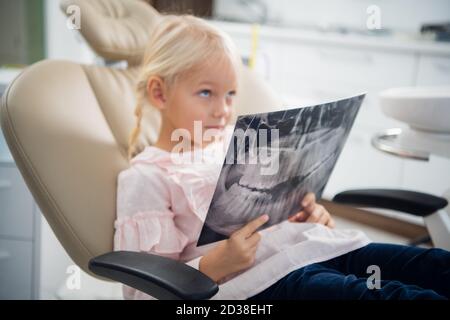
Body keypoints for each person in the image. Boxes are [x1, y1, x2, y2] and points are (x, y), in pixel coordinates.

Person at [114, 14, 450, 300]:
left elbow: (273, 212)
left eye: (231, 94)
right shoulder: (147, 177)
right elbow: (145, 291)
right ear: (160, 92)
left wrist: (307, 215)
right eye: (206, 93)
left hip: (317, 247)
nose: (223, 109)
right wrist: (216, 264)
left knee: (434, 265)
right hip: (262, 282)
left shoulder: (238, 146)